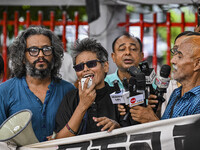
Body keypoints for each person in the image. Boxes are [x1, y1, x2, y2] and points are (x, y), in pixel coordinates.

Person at [0, 26, 75, 142]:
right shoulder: (4, 91)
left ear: (54, 55)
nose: (41, 55)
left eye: (46, 49)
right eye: (33, 50)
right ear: (22, 57)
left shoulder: (68, 90)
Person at [123, 33, 200, 123]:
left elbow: (188, 136)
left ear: (197, 64)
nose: (172, 61)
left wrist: (151, 120)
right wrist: (156, 113)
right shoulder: (176, 93)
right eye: (174, 55)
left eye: (179, 56)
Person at [54, 38, 121, 139]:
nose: (85, 69)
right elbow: (59, 139)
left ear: (105, 66)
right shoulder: (70, 98)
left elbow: (134, 133)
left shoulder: (119, 96)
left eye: (91, 64)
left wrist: (117, 127)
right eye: (79, 67)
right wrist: (82, 106)